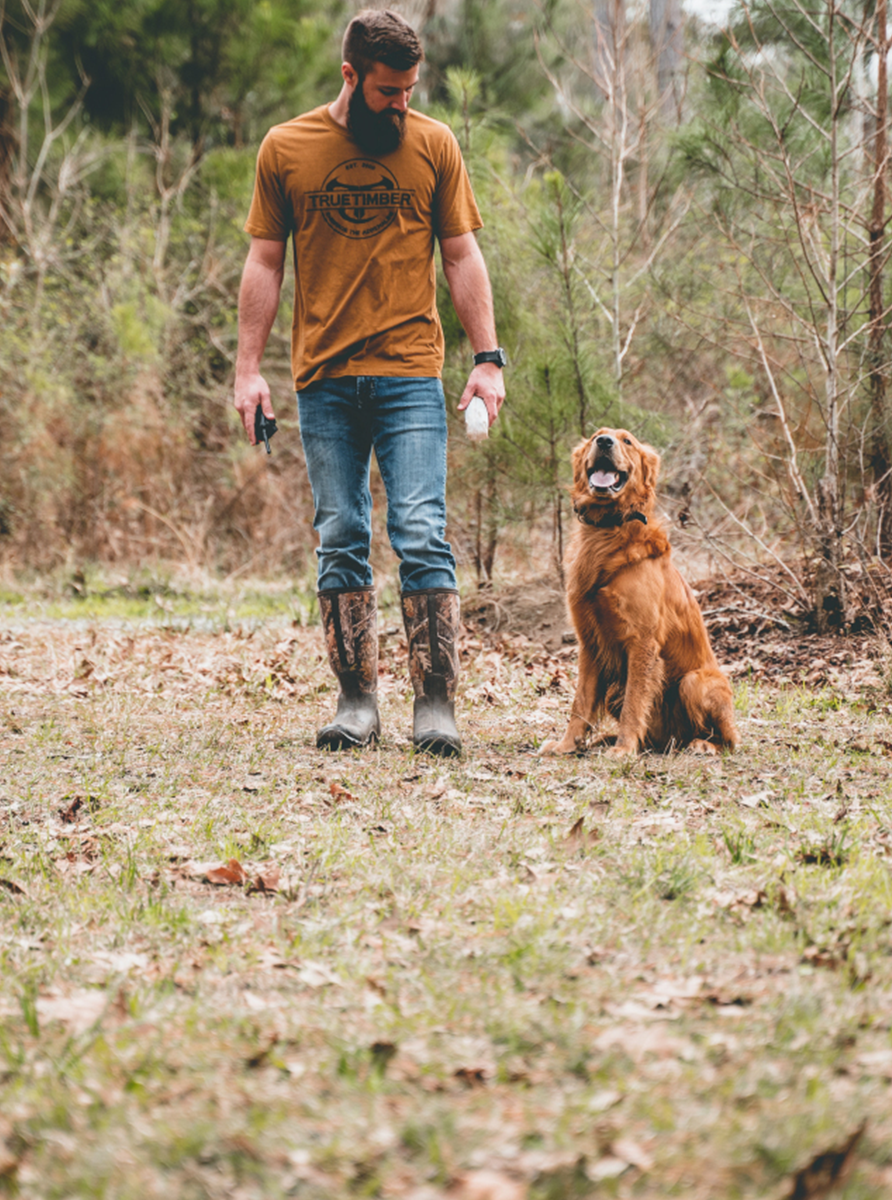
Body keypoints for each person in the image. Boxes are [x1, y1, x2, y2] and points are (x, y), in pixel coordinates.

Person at [233, 9, 505, 757]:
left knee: (421, 531)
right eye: (389, 91)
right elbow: (264, 263)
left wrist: (488, 358)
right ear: (350, 75)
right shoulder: (287, 148)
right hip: (323, 380)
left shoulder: (434, 146)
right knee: (342, 536)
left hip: (411, 373)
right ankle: (357, 704)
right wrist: (248, 371)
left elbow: (461, 256)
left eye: (411, 89)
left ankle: (436, 705)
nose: (402, 104)